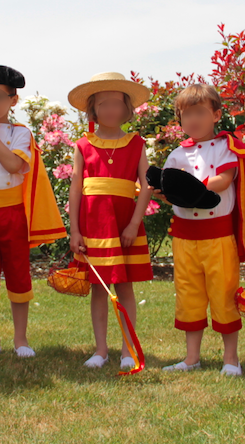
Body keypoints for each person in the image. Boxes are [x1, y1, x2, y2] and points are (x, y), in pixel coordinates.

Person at [0, 65, 65, 359]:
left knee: (19, 274)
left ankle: (21, 339)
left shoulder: (21, 134)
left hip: (14, 215)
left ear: (13, 101)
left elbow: (14, 166)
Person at [154, 84, 245, 376]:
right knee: (189, 293)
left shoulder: (227, 148)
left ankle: (231, 359)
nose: (193, 121)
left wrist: (187, 190)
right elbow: (167, 190)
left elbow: (223, 180)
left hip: (218, 236)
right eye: (186, 115)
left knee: (223, 293)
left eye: (200, 113)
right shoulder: (176, 155)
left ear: (216, 115)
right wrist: (162, 190)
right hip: (185, 237)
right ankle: (191, 357)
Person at [67, 72, 154, 370]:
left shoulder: (136, 144)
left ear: (127, 109)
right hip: (94, 224)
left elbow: (147, 185)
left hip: (123, 223)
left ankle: (128, 348)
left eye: (116, 104)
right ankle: (100, 349)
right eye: (103, 104)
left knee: (125, 285)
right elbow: (76, 188)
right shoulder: (83, 145)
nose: (110, 111)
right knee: (100, 287)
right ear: (93, 110)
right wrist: (75, 230)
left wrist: (133, 224)